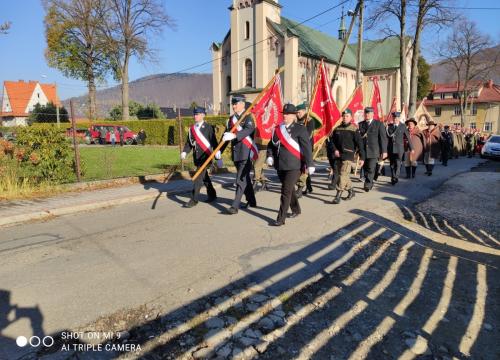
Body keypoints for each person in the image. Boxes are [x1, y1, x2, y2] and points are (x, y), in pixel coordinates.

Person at [266, 104, 314, 226]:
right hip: (280, 165)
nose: (285, 116)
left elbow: (306, 147)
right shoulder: (278, 129)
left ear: (294, 115)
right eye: (284, 114)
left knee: (285, 190)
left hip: (294, 166)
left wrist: (310, 164)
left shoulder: (300, 129)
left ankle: (280, 218)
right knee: (289, 189)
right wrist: (270, 156)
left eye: (288, 114)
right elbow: (271, 145)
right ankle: (296, 209)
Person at [220, 95, 258, 214]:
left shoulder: (248, 117)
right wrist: (219, 151)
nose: (234, 106)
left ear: (242, 104)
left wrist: (236, 135)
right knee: (244, 178)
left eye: (236, 104)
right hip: (236, 153)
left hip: (246, 153)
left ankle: (234, 206)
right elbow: (226, 136)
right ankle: (252, 200)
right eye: (233, 104)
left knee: (240, 179)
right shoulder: (231, 119)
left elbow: (248, 130)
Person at [181, 107, 220, 208]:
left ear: (203, 115)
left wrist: (218, 156)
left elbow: (214, 142)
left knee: (198, 178)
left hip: (206, 157)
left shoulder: (208, 127)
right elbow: (189, 143)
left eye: (197, 114)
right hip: (197, 157)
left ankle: (194, 199)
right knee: (204, 177)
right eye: (194, 114)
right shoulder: (192, 129)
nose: (195, 116)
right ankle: (212, 194)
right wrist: (185, 151)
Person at [329, 109, 365, 204]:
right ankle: (351, 191)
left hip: (348, 156)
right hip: (338, 156)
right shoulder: (337, 129)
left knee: (343, 175)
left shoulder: (354, 129)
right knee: (344, 176)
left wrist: (362, 157)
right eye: (344, 116)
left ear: (351, 117)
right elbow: (331, 142)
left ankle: (338, 195)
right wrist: (335, 150)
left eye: (347, 116)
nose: (345, 118)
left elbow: (360, 144)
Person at [358, 107, 387, 192]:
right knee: (366, 168)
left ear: (372, 114)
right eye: (366, 113)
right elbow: (359, 138)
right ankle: (370, 181)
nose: (367, 115)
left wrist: (384, 151)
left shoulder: (378, 124)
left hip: (374, 150)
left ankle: (367, 184)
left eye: (369, 113)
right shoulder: (361, 124)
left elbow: (383, 138)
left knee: (371, 168)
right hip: (364, 151)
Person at [386, 112, 413, 185]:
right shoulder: (389, 126)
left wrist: (411, 148)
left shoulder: (403, 126)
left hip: (399, 149)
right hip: (391, 149)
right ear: (393, 118)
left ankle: (396, 177)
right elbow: (386, 138)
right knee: (392, 164)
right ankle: (393, 177)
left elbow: (408, 137)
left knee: (398, 164)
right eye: (394, 118)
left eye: (397, 118)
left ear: (399, 118)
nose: (395, 119)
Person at [295, 102, 315, 198]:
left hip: (306, 148)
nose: (297, 114)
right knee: (302, 167)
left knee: (305, 168)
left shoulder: (310, 121)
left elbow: (308, 135)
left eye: (299, 112)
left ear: (303, 111)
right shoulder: (296, 121)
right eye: (296, 113)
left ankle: (299, 188)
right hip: (297, 147)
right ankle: (309, 186)